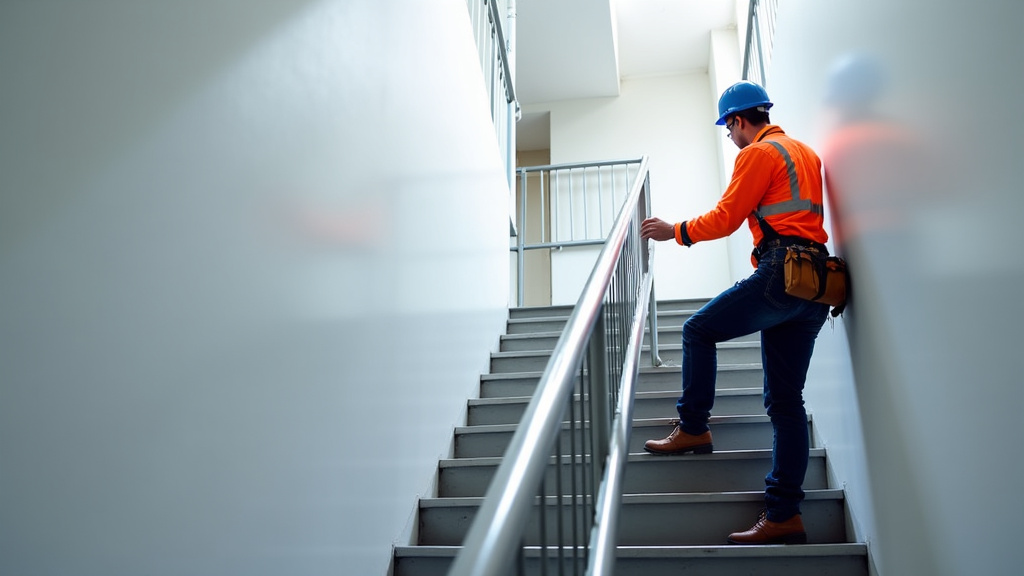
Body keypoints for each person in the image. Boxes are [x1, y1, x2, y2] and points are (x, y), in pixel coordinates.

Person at [640, 81, 829, 545]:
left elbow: (726, 218)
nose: (731, 138)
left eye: (729, 130)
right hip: (816, 284)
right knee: (786, 404)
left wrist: (675, 231)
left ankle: (693, 427)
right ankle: (784, 515)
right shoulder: (806, 153)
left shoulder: (757, 154)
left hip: (781, 269)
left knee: (697, 330)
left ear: (739, 121)